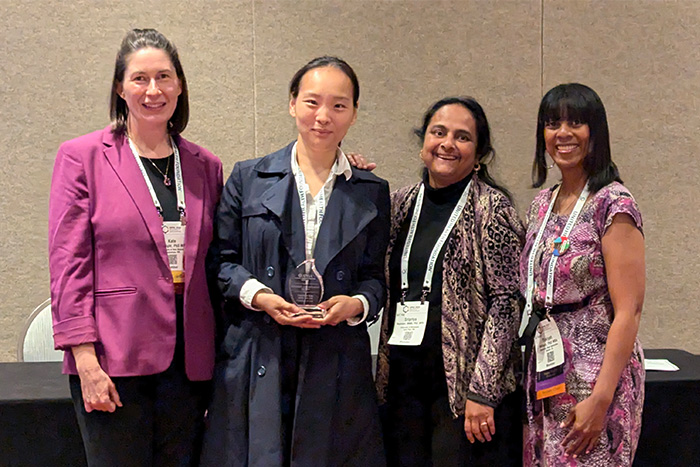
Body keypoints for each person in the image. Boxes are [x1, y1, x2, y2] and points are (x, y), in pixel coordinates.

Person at [199, 56, 390, 466]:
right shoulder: (248, 178)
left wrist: (356, 305)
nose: (323, 116)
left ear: (354, 113)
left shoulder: (371, 190)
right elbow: (222, 262)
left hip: (335, 352)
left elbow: (377, 277)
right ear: (291, 104)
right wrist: (262, 296)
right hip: (259, 347)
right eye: (311, 102)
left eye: (339, 105)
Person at [48, 28, 222, 466]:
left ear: (180, 86)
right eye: (140, 78)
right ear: (120, 88)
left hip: (190, 362)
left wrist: (340, 163)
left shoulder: (206, 166)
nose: (153, 90)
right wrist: (84, 360)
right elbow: (69, 264)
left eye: (164, 77)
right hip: (113, 357)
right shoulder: (82, 156)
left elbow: (219, 259)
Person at [354, 96, 525, 466]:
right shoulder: (400, 203)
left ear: (479, 154)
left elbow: (507, 303)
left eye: (463, 137)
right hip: (403, 380)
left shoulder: (493, 210)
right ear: (423, 145)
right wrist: (347, 173)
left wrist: (484, 391)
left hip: (464, 392)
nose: (448, 143)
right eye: (438, 132)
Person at [519, 83, 645, 466]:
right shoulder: (542, 204)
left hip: (595, 379)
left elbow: (629, 310)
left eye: (576, 122)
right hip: (545, 370)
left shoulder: (614, 203)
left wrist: (601, 397)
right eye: (553, 123)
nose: (563, 133)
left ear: (596, 132)